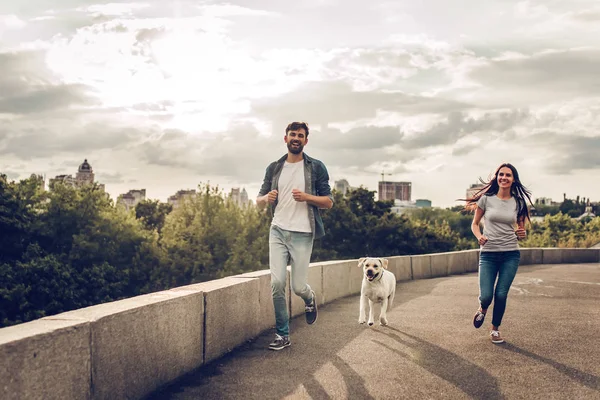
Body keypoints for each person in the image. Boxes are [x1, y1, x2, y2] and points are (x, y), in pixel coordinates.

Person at [256, 122, 334, 351]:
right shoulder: (274, 168)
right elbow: (259, 199)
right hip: (278, 230)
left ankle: (309, 300)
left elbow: (328, 202)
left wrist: (307, 197)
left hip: (303, 233)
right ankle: (282, 335)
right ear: (286, 138)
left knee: (298, 287)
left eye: (300, 135)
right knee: (278, 283)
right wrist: (266, 198)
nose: (296, 138)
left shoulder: (316, 167)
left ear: (306, 141)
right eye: (293, 134)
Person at [464, 163, 533, 344]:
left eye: (508, 175)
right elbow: (474, 223)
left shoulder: (518, 202)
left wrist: (522, 233)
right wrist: (479, 236)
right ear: (497, 177)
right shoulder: (486, 199)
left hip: (510, 254)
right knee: (487, 295)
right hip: (488, 254)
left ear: (514, 179)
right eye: (501, 174)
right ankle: (483, 308)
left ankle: (495, 329)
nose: (504, 178)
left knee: (501, 294)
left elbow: (521, 229)